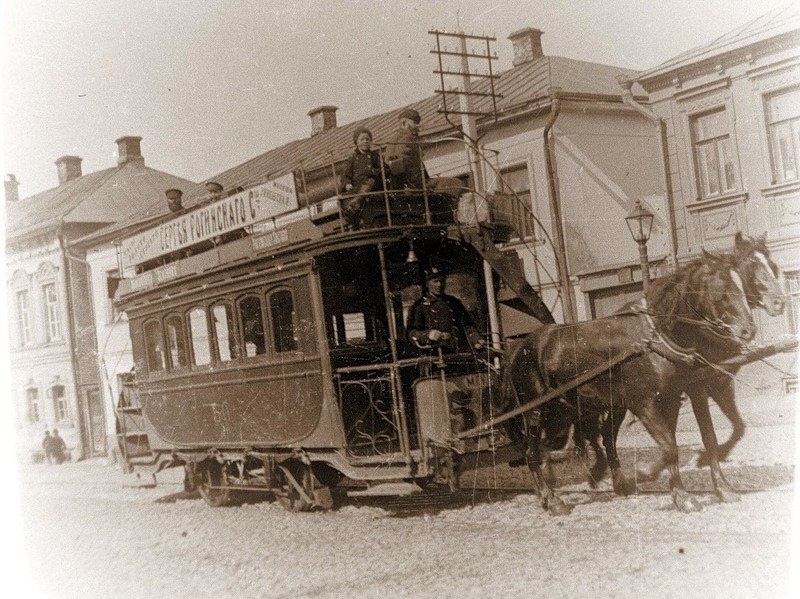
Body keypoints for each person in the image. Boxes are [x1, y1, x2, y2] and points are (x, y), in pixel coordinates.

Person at [385, 108, 464, 198]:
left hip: (411, 184)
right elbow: (402, 164)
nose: (418, 125)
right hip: (414, 185)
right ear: (404, 123)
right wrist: (417, 184)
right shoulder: (405, 138)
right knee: (456, 183)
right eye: (415, 122)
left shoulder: (395, 138)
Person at [407, 267, 485, 354]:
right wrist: (428, 335)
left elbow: (468, 326)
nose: (439, 285)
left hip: (458, 353)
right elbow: (411, 333)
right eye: (435, 281)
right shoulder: (420, 305)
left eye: (442, 281)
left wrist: (476, 339)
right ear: (427, 284)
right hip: (434, 356)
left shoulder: (454, 302)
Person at [339, 127, 385, 229]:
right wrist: (347, 184)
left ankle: (355, 202)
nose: (365, 141)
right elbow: (346, 175)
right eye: (362, 139)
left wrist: (375, 171)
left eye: (367, 139)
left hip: (373, 185)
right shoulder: (352, 158)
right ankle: (354, 205)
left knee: (370, 182)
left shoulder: (375, 156)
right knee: (348, 195)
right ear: (356, 142)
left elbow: (384, 170)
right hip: (357, 187)